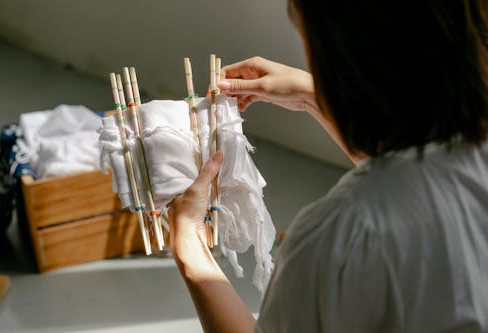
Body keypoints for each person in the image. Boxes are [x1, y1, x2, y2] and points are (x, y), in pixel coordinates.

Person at [168, 0, 488, 331]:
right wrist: (313, 96)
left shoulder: (337, 241)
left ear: (343, 63)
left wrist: (190, 250)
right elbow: (419, 175)